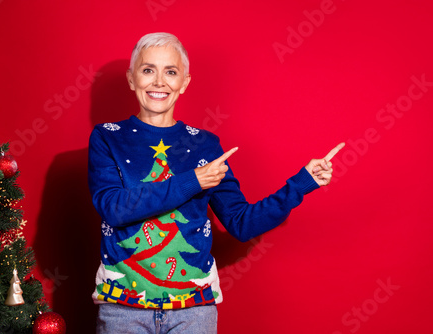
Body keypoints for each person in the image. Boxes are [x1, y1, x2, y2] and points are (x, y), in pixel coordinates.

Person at [88, 32, 344, 334]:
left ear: (184, 82)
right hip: (123, 309)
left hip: (193, 314)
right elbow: (114, 208)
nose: (159, 82)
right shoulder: (107, 136)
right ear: (132, 79)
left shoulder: (206, 146)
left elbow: (241, 222)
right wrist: (192, 181)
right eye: (148, 70)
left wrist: (301, 184)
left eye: (171, 72)